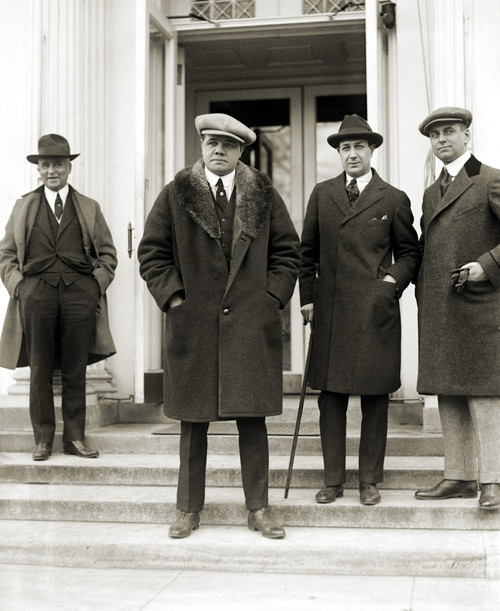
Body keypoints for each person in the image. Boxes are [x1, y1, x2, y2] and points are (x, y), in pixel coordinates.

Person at [138, 113, 300, 539]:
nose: (219, 150)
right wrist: (175, 299)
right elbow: (152, 252)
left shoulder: (262, 193)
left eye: (228, 145)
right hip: (194, 326)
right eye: (212, 143)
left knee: (253, 422)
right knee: (193, 425)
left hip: (250, 325)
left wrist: (271, 299)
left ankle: (259, 509)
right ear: (202, 146)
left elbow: (288, 253)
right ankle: (188, 509)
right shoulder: (177, 192)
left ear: (241, 151)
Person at [299, 114, 420, 506]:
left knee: (374, 397)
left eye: (359, 147)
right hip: (331, 311)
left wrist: (390, 284)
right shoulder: (322, 194)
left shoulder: (392, 197)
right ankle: (333, 479)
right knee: (330, 399)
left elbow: (411, 253)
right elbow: (306, 254)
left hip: (374, 312)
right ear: (339, 152)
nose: (352, 154)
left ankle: (369, 479)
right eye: (345, 148)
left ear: (372, 151)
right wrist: (308, 299)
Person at [0, 134, 117, 461]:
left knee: (75, 369)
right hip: (35, 296)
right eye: (45, 165)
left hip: (80, 295)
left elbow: (107, 254)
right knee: (39, 369)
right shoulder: (23, 206)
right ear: (38, 169)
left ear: (69, 167)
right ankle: (43, 440)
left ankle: (75, 438)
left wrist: (95, 285)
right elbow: (6, 254)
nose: (52, 171)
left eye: (58, 164)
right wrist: (19, 287)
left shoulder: (89, 207)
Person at [414, 107, 500, 510]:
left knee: (485, 395)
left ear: (467, 135)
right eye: (435, 135)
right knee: (448, 393)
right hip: (440, 309)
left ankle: (493, 480)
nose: (442, 140)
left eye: (449, 132)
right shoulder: (432, 192)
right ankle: (460, 475)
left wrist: (488, 265)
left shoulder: (490, 179)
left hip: (481, 307)